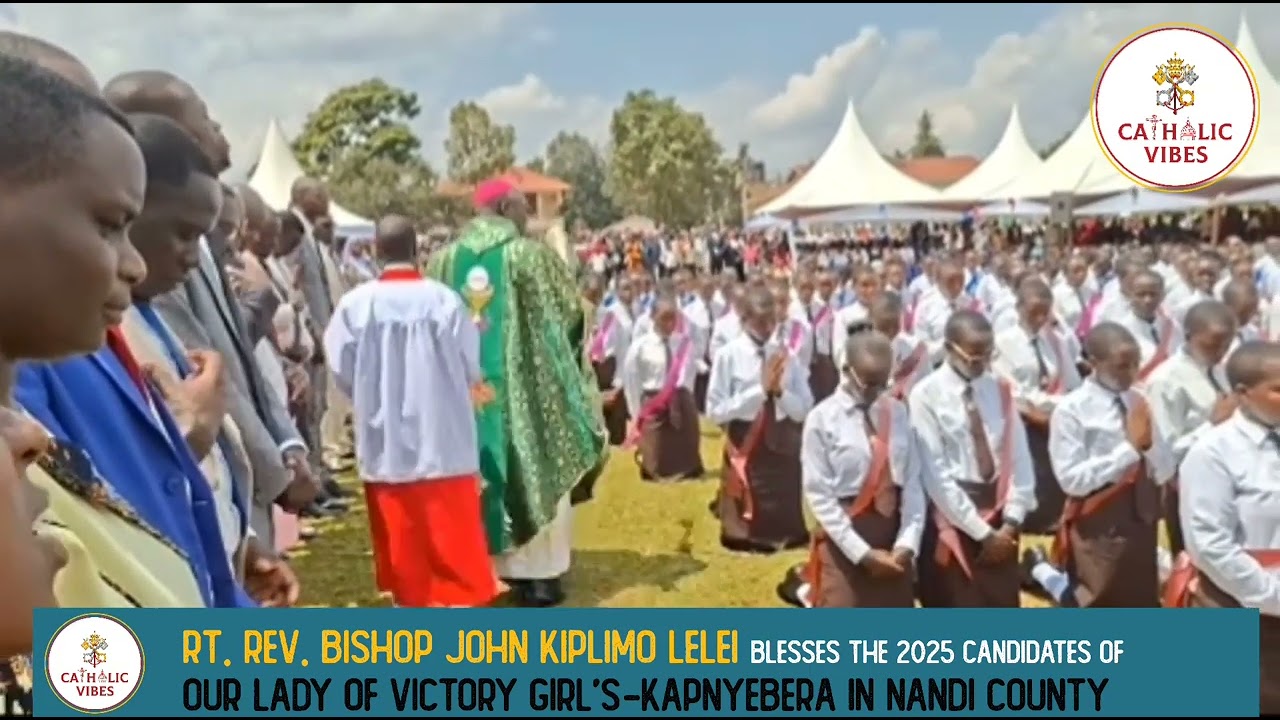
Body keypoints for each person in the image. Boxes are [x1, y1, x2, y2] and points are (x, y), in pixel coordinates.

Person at [427, 179, 608, 608]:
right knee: (533, 459)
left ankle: (482, 567)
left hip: (466, 397)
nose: (528, 213)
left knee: (475, 471)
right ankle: (538, 576)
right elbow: (566, 315)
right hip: (526, 395)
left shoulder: (442, 262)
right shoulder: (529, 256)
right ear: (506, 207)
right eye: (524, 206)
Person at [325, 215, 498, 607]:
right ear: (417, 251)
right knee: (453, 554)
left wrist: (373, 397)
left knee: (406, 557)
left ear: (375, 250)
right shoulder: (445, 300)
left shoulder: (355, 305)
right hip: (443, 441)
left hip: (387, 445)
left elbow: (340, 367)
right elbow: (471, 365)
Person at [111, 114, 252, 574]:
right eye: (184, 233)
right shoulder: (68, 345)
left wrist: (237, 537)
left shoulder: (147, 312)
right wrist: (189, 435)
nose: (193, 257)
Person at [1168, 341, 1280, 713]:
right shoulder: (1213, 452)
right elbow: (1210, 544)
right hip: (1239, 603)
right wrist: (1270, 594)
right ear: (1243, 395)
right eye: (1278, 389)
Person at [1033, 322, 1176, 608]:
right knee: (1095, 597)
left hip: (1141, 516)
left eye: (1136, 363)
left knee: (1141, 598)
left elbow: (1165, 468)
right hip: (1099, 520)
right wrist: (1130, 450)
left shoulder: (1139, 400)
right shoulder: (1072, 410)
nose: (1132, 372)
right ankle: (1040, 570)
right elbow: (1072, 480)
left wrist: (1150, 449)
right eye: (1121, 366)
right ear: (1094, 363)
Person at [909, 310, 1035, 608]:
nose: (982, 365)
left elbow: (1019, 456)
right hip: (953, 519)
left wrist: (1012, 521)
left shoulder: (998, 389)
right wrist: (981, 533)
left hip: (1001, 517)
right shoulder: (926, 396)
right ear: (951, 349)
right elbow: (935, 473)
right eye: (973, 358)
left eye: (988, 355)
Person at [801, 331, 925, 607]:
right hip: (845, 537)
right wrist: (862, 554)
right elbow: (818, 495)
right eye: (869, 385)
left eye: (883, 385)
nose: (876, 393)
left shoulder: (898, 413)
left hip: (892, 535)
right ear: (847, 371)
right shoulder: (822, 419)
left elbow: (913, 483)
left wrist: (907, 543)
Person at [707, 284, 813, 553]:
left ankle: (784, 534)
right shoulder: (728, 356)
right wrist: (758, 392)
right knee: (745, 514)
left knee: (785, 511)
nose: (767, 327)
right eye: (760, 321)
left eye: (772, 321)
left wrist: (779, 393)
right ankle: (744, 536)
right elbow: (715, 410)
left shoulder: (786, 355)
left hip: (782, 443)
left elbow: (804, 408)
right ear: (744, 319)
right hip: (746, 441)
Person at [1144, 300, 1237, 556]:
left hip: (1230, 479)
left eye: (1226, 345)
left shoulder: (1219, 371)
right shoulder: (1166, 380)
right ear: (1188, 336)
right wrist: (1211, 424)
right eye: (1211, 344)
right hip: (1189, 486)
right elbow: (1164, 453)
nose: (1219, 351)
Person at [992, 278, 1081, 535]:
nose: (1040, 318)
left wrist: (1061, 407)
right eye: (1034, 312)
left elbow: (1073, 384)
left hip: (1056, 422)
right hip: (1025, 424)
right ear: (1018, 308)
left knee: (1057, 491)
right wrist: (1041, 409)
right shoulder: (1003, 343)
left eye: (1045, 312)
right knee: (1032, 488)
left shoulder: (1055, 342)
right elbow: (1010, 390)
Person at [622, 295, 703, 481]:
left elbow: (689, 375)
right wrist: (637, 415)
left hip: (680, 401)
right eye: (665, 317)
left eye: (673, 317)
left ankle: (688, 467)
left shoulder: (683, 343)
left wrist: (682, 403)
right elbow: (632, 382)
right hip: (654, 405)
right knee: (656, 460)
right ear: (652, 316)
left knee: (688, 451)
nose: (670, 323)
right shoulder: (640, 346)